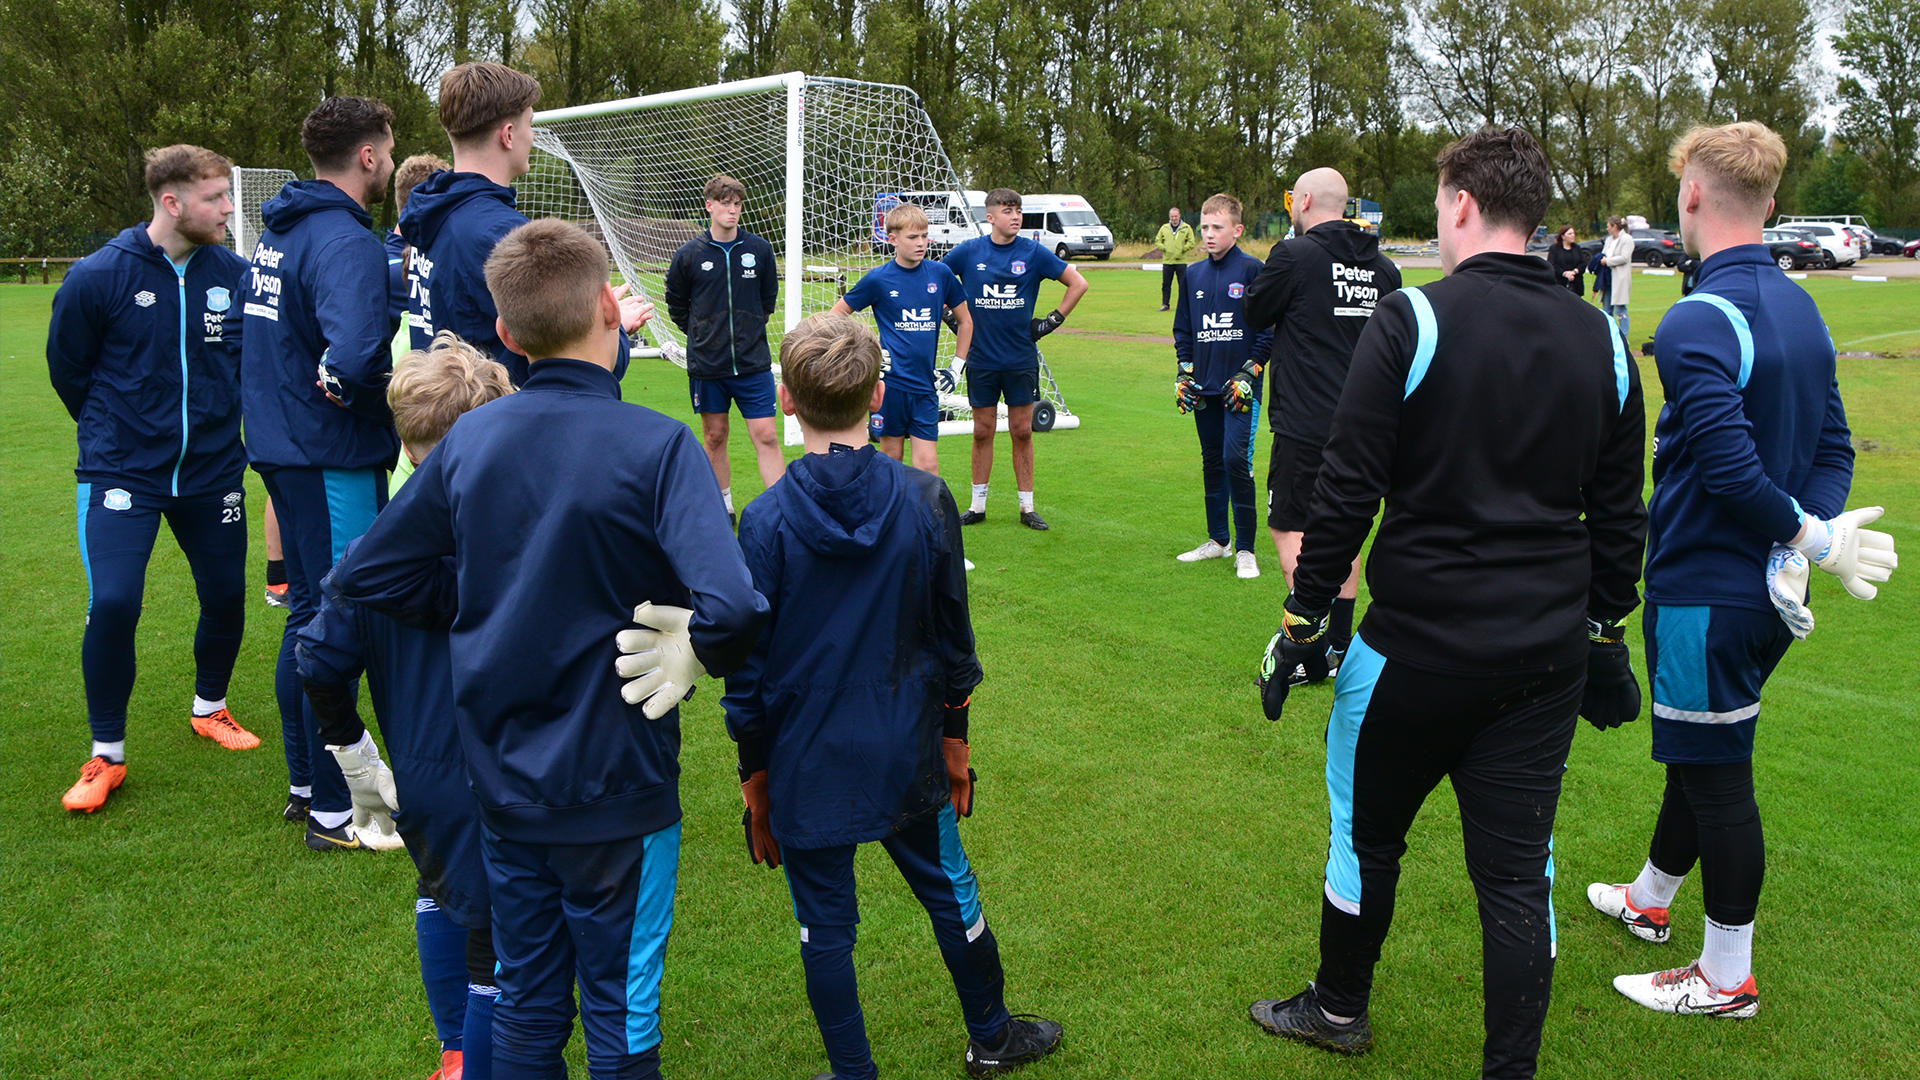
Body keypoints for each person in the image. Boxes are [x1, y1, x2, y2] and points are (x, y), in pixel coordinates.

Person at [1249, 127, 1648, 1080]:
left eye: (1438, 202)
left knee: (1366, 835)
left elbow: (1345, 490)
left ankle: (1340, 1006)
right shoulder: (1602, 334)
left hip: (1416, 652)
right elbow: (1621, 512)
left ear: (1461, 204)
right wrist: (1603, 631)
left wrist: (1303, 623)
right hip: (1543, 659)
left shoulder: (1414, 317)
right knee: (1518, 872)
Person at [333, 218, 767, 1080]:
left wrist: (478, 605)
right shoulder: (657, 444)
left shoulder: (469, 442)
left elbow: (365, 574)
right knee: (618, 1008)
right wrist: (698, 645)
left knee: (529, 1004)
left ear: (505, 334)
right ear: (612, 308)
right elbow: (737, 606)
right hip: (621, 791)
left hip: (503, 782)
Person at [1589, 121, 1896, 1020]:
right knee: (1701, 751)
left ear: (1690, 195)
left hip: (1706, 592)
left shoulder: (1692, 318)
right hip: (1759, 588)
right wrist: (1803, 541)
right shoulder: (1799, 305)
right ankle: (1650, 900)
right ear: (1768, 203)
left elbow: (1728, 471)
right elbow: (1831, 444)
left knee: (1719, 776)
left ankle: (1726, 978)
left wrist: (1804, 539)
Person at [706, 311, 1062, 1080]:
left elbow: (748, 673)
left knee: (825, 929)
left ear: (785, 402)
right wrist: (955, 742)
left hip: (806, 762)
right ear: (878, 396)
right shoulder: (921, 501)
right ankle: (991, 1037)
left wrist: (754, 777)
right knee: (949, 892)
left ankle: (881, 1064)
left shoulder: (765, 521)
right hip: (905, 750)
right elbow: (955, 645)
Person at [297, 332, 514, 1080]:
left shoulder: (370, 552)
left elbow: (318, 662)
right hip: (502, 772)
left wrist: (356, 757)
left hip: (421, 778)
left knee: (435, 887)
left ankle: (453, 1050)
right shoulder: (517, 544)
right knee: (496, 948)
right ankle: (472, 1061)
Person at [48, 144, 257, 813]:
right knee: (113, 603)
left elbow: (249, 365)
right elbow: (68, 370)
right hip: (121, 472)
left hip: (213, 471)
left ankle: (210, 707)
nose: (229, 209)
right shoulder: (97, 276)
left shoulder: (235, 274)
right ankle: (106, 755)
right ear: (172, 202)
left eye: (228, 196)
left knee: (226, 596)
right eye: (215, 198)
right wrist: (118, 431)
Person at [237, 96, 399, 843]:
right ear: (367, 155)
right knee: (339, 621)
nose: (393, 163)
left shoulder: (281, 228)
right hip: (328, 455)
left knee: (306, 619)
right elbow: (359, 353)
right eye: (389, 149)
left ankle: (308, 788)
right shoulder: (343, 241)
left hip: (282, 448)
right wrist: (353, 390)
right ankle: (338, 809)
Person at [1244, 167, 1401, 683]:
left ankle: (1305, 644)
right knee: (1346, 529)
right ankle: (1337, 647)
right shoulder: (1384, 268)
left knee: (1289, 526)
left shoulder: (1294, 254)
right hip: (1370, 426)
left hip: (1306, 424)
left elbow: (1255, 312)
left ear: (1305, 199)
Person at [401, 62, 644, 388]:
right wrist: (612, 327)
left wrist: (578, 306)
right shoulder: (502, 236)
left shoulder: (430, 217)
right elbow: (577, 365)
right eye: (530, 123)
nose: (533, 135)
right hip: (503, 428)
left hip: (450, 425)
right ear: (509, 135)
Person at [943, 188, 1089, 530]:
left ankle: (1027, 508)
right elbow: (933, 282)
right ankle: (977, 506)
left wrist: (1051, 321)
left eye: (1018, 210)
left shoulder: (1033, 252)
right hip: (981, 359)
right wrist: (953, 319)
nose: (1016, 216)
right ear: (990, 217)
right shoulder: (969, 252)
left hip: (1020, 359)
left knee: (1022, 431)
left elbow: (1078, 283)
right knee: (982, 430)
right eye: (1008, 210)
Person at [665, 174, 784, 518]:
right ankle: (724, 506)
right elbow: (677, 304)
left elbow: (766, 301)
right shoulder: (689, 255)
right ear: (710, 206)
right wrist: (703, 334)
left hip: (752, 364)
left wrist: (744, 332)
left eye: (737, 204)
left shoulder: (759, 250)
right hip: (708, 365)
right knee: (714, 435)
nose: (732, 210)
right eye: (725, 203)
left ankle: (781, 507)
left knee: (765, 434)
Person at [1171, 192, 1271, 579]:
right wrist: (1184, 372)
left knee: (1236, 462)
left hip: (1239, 388)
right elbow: (1184, 328)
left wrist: (1250, 371)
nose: (1209, 235)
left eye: (1217, 227)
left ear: (1237, 229)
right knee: (1212, 462)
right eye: (1204, 227)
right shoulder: (1193, 273)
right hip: (1205, 387)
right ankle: (1218, 541)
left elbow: (1268, 330)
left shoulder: (1253, 270)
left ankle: (1246, 549)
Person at [831, 201, 972, 473]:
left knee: (927, 463)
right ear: (892, 239)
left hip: (925, 387)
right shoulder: (878, 279)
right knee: (891, 457)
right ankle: (890, 515)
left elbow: (966, 321)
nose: (921, 243)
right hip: (889, 388)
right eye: (912, 237)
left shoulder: (940, 274)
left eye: (924, 235)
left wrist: (956, 367)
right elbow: (835, 316)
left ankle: (926, 516)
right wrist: (870, 349)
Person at [1155, 206, 1197, 311]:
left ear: (1179, 216)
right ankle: (1165, 304)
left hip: (1181, 261)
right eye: (1172, 216)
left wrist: (1183, 249)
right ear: (1169, 216)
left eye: (1176, 216)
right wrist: (1164, 248)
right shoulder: (1164, 228)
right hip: (1167, 261)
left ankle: (1182, 305)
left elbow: (1191, 242)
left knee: (1182, 284)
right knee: (1166, 284)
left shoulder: (1186, 228)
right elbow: (1157, 240)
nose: (1174, 218)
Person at [1601, 215, 1633, 340]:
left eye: (1608, 226)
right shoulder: (1609, 240)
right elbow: (1604, 253)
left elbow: (1624, 257)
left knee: (1620, 308)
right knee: (1606, 308)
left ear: (1615, 226)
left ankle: (1624, 337)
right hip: (1607, 277)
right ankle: (1609, 337)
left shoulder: (1627, 239)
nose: (1607, 229)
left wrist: (1607, 261)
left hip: (1619, 277)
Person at [1547, 224, 1585, 295]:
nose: (1573, 235)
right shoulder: (1554, 249)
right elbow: (1551, 264)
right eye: (1570, 234)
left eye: (1573, 233)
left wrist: (1574, 272)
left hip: (1576, 285)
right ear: (1563, 236)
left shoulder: (1577, 248)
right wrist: (1564, 273)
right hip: (1559, 285)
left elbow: (1583, 263)